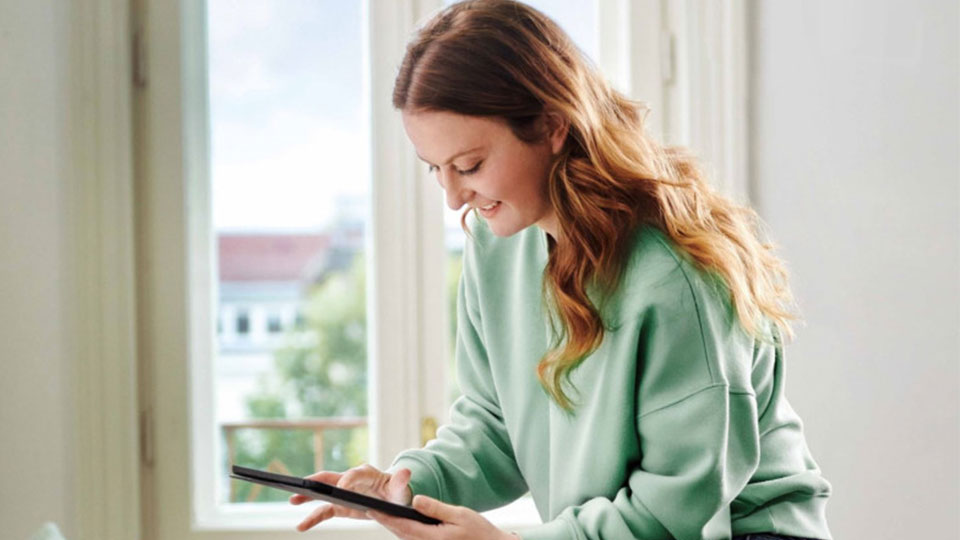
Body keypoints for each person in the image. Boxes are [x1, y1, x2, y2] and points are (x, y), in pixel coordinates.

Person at [290, 1, 833, 539]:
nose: (453, 197)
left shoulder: (677, 277)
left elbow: (673, 513)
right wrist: (402, 486)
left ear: (551, 126)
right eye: (436, 169)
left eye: (470, 165)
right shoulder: (498, 241)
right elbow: (495, 425)